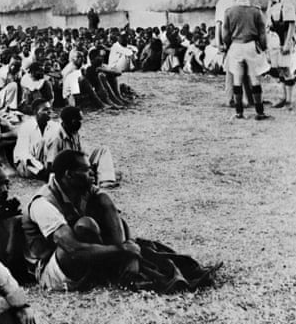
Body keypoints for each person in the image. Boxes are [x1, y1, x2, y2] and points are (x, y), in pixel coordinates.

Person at [21, 150, 218, 293]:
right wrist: (121, 250)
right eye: (86, 170)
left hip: (83, 257)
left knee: (103, 203)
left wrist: (128, 247)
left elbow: (113, 213)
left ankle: (123, 268)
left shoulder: (82, 188)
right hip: (53, 271)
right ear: (69, 175)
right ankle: (115, 269)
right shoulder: (43, 203)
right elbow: (73, 249)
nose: (92, 173)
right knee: (86, 226)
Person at [222, 0, 270, 120]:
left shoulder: (229, 11)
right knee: (254, 79)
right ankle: (259, 112)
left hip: (236, 46)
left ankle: (239, 113)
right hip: (251, 46)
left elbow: (225, 35)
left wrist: (228, 46)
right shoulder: (255, 11)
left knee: (237, 79)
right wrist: (264, 47)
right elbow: (262, 33)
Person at [44, 106, 118, 189]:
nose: (81, 123)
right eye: (79, 120)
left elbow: (80, 153)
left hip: (76, 164)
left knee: (103, 150)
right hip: (67, 171)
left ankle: (106, 181)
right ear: (73, 121)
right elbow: (51, 165)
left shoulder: (73, 132)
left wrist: (86, 165)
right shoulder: (56, 137)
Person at [265, 0, 296, 109]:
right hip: (274, 38)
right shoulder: (270, 3)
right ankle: (284, 98)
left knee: (286, 68)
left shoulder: (286, 3)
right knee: (279, 68)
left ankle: (289, 101)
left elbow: (291, 24)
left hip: (284, 38)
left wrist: (287, 43)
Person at [13, 99, 55, 180]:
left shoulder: (53, 125)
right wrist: (41, 168)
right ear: (36, 112)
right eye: (45, 110)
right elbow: (23, 154)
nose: (49, 112)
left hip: (43, 162)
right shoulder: (26, 127)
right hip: (26, 163)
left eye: (50, 109)